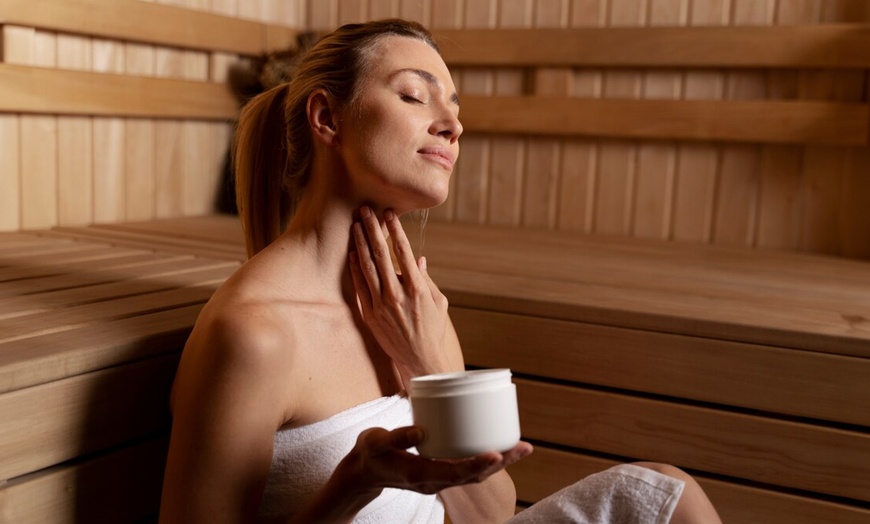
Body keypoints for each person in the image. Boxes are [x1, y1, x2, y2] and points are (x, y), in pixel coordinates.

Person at [158, 19, 722, 524]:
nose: (452, 124)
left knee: (665, 493)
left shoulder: (416, 310)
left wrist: (426, 364)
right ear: (327, 118)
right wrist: (353, 487)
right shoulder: (255, 334)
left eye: (454, 107)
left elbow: (488, 512)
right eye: (413, 95)